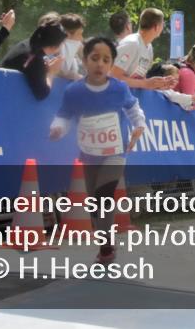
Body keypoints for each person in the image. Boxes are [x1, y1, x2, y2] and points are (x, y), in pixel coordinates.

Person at [49, 36, 146, 264]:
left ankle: (107, 246)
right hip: (89, 153)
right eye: (94, 58)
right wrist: (57, 128)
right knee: (95, 202)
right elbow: (64, 115)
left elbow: (133, 107)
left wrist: (139, 125)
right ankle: (106, 243)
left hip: (115, 152)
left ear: (111, 64)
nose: (100, 64)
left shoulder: (119, 88)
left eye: (106, 60)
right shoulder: (74, 91)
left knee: (104, 195)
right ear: (84, 61)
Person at [1, 17, 66, 100]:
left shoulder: (29, 44)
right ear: (54, 46)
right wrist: (51, 73)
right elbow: (42, 94)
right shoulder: (35, 59)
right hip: (6, 97)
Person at [111, 8, 174, 90]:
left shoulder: (149, 47)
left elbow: (139, 80)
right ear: (156, 27)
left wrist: (158, 84)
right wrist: (145, 84)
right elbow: (113, 77)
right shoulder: (131, 44)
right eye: (163, 24)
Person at [58, 13, 86, 80]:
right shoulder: (55, 45)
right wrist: (71, 75)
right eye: (79, 34)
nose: (82, 38)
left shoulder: (77, 43)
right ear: (67, 34)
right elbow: (50, 68)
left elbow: (86, 58)